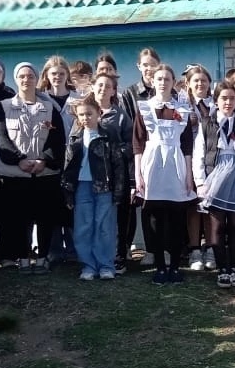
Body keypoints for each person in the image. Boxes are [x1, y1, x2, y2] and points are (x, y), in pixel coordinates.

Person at [0, 62, 65, 273]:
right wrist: (19, 159)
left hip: (44, 174)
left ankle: (42, 258)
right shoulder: (3, 107)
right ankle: (22, 258)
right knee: (18, 219)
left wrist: (44, 160)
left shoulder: (49, 108)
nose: (26, 80)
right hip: (15, 175)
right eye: (22, 76)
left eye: (30, 76)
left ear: (37, 79)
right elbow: (1, 138)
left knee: (45, 218)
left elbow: (57, 139)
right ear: (16, 79)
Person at [133, 63, 196, 284]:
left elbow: (187, 144)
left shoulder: (182, 109)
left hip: (176, 165)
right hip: (152, 166)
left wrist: (189, 174)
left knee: (177, 218)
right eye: (159, 78)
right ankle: (160, 266)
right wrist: (138, 175)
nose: (162, 82)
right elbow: (138, 143)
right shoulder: (145, 108)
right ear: (152, 81)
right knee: (155, 219)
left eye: (167, 79)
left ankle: (175, 267)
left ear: (173, 82)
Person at [194, 81, 235, 287]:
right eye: (224, 98)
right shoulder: (207, 123)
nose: (228, 102)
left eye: (232, 98)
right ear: (216, 100)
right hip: (215, 177)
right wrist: (200, 182)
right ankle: (222, 270)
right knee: (217, 226)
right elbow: (199, 154)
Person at [63, 95, 125, 281]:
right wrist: (68, 192)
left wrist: (118, 191)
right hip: (81, 186)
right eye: (81, 115)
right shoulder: (75, 136)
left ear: (99, 113)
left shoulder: (108, 135)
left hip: (104, 187)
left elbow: (118, 164)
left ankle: (106, 265)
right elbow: (67, 166)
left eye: (89, 114)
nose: (85, 118)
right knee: (83, 226)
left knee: (104, 226)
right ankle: (88, 266)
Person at [92, 69, 135, 274]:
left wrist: (114, 153)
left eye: (107, 86)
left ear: (113, 91)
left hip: (117, 175)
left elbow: (131, 143)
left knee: (118, 216)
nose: (103, 89)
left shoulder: (120, 115)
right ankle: (94, 255)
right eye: (100, 85)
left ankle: (119, 257)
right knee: (94, 216)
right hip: (90, 174)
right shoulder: (83, 110)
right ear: (93, 87)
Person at [183, 65, 215, 271]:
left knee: (210, 207)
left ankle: (211, 248)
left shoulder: (215, 105)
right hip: (188, 160)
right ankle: (194, 250)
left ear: (209, 83)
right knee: (193, 206)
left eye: (204, 80)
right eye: (196, 80)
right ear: (188, 84)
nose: (200, 84)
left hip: (211, 162)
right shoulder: (182, 106)